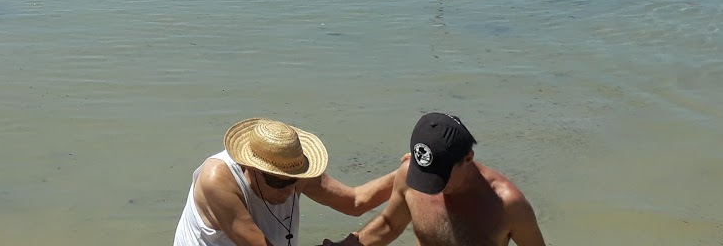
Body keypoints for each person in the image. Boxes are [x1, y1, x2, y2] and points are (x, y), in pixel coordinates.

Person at [323, 112, 545, 246]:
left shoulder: (507, 204)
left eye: (440, 177)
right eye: (423, 174)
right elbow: (390, 225)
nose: (429, 187)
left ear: (468, 158)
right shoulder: (409, 175)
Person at [173, 117, 396, 246]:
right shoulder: (217, 179)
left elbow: (355, 202)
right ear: (251, 167)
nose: (288, 191)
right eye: (277, 182)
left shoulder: (294, 167)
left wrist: (407, 172)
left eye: (294, 182)